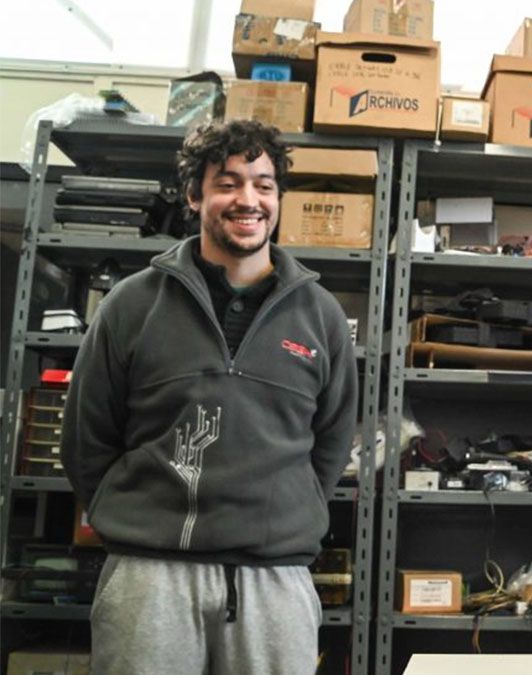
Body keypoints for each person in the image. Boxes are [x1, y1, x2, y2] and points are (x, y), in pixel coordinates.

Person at [62, 120, 359, 674]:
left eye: (264, 185)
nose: (248, 199)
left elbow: (331, 446)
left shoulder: (322, 318)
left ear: (278, 199)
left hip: (273, 583)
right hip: (149, 580)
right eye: (228, 182)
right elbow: (86, 441)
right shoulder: (130, 306)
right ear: (195, 195)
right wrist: (134, 522)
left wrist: (282, 519)